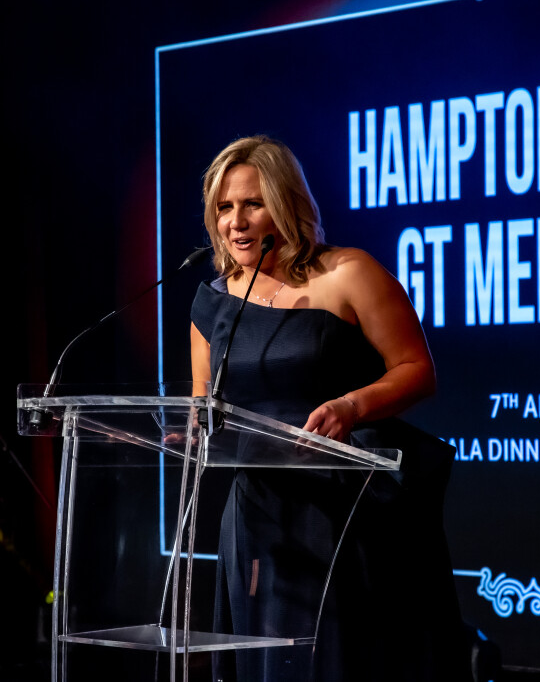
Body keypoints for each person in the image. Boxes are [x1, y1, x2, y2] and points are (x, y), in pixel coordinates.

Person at [190, 135, 465, 681]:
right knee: (268, 660)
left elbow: (416, 369)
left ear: (285, 203)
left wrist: (351, 406)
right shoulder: (213, 302)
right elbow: (205, 406)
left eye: (252, 203)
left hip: (344, 504)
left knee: (341, 661)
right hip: (258, 514)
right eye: (224, 207)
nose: (235, 222)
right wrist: (190, 431)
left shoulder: (347, 273)